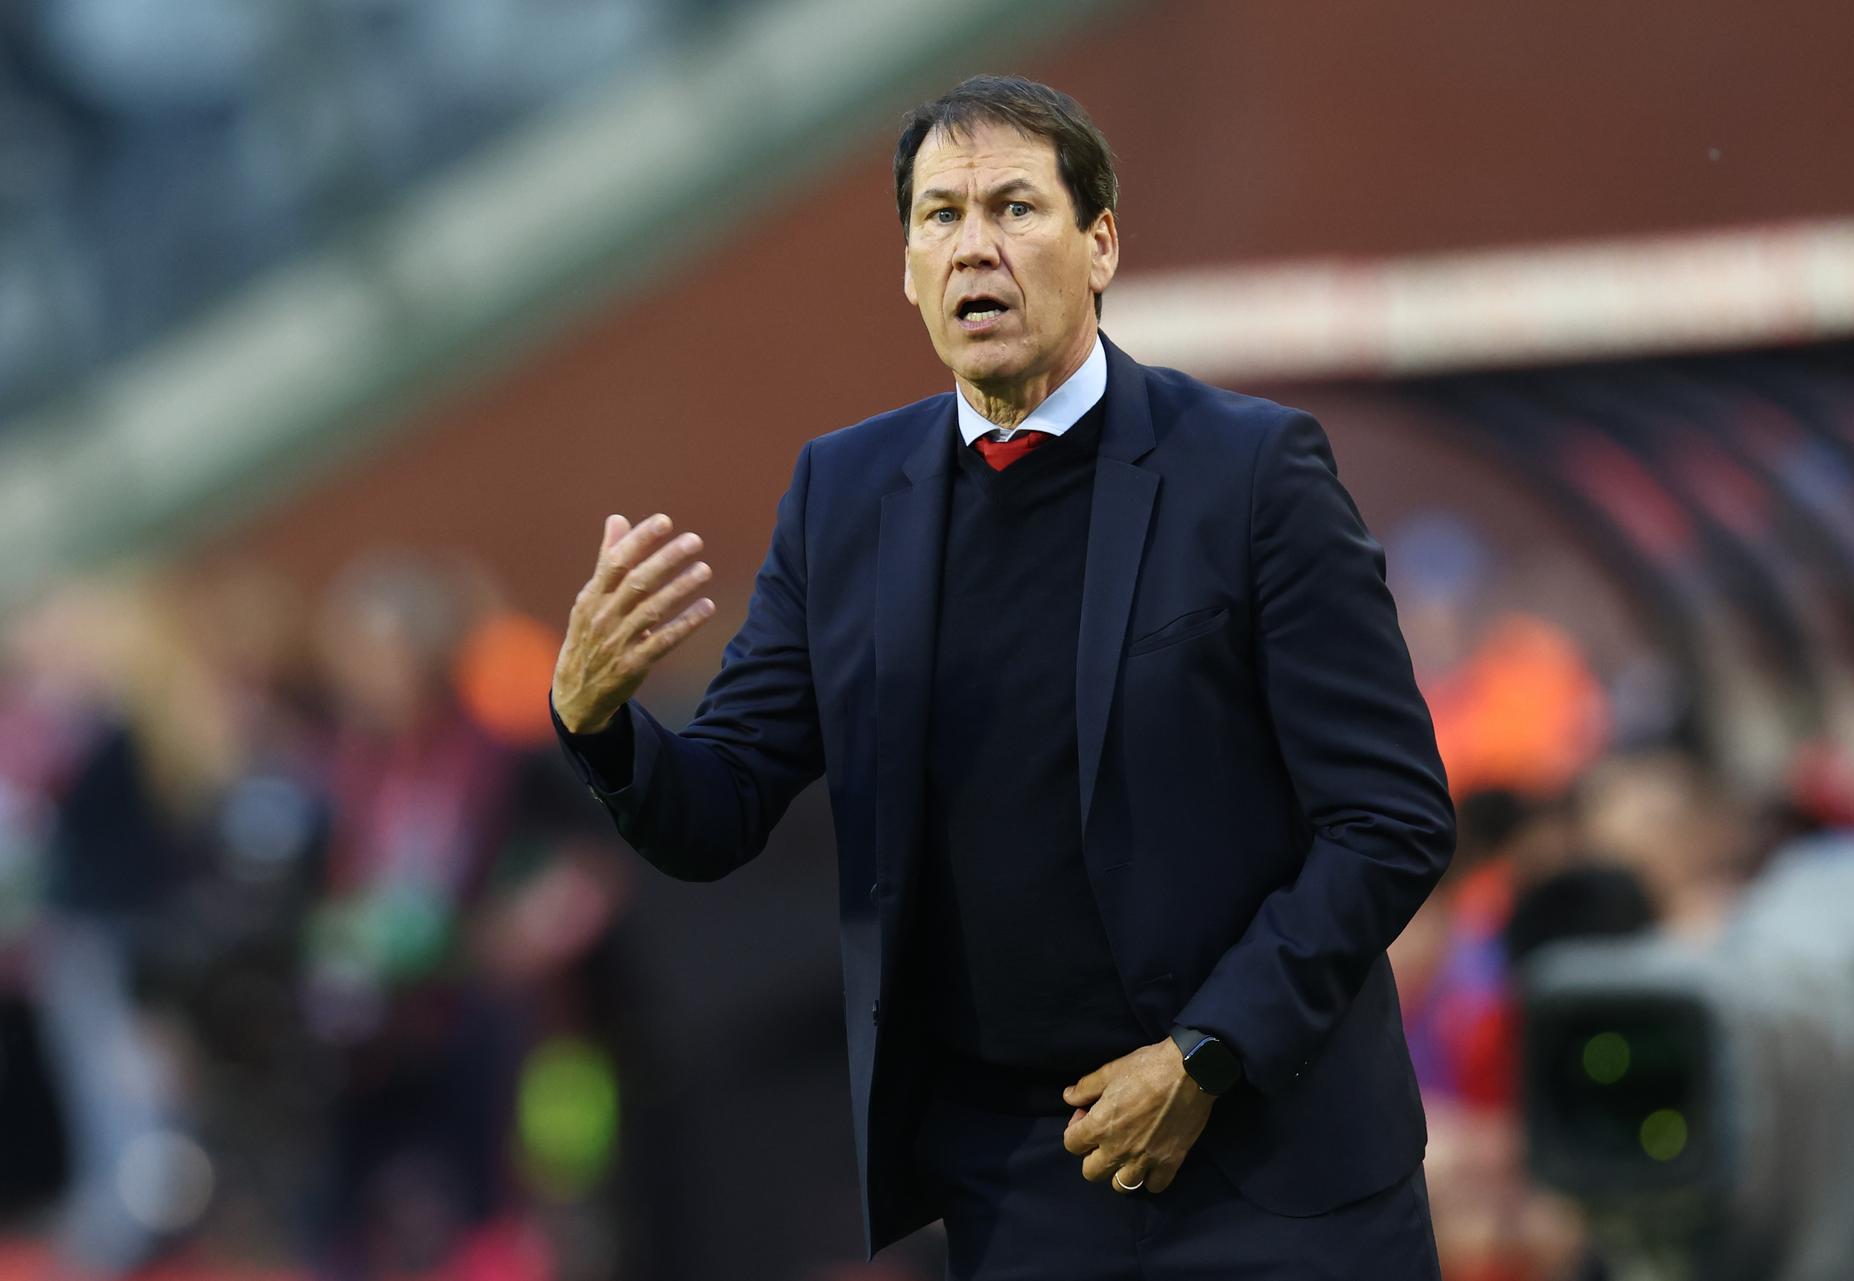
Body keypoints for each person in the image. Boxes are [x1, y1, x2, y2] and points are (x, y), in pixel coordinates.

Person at [549, 75, 1454, 1279]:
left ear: (1101, 246)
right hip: (1023, 1190)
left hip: (1275, 1170)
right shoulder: (844, 497)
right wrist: (598, 724)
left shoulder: (1253, 473)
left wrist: (1207, 1052)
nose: (975, 244)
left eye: (1015, 207)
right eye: (940, 216)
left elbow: (1389, 819)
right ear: (909, 271)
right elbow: (719, 808)